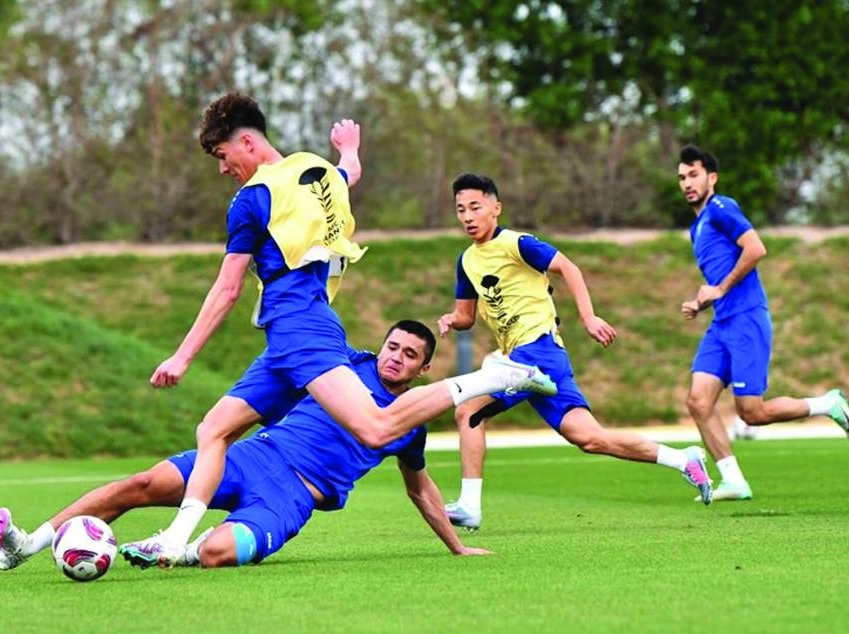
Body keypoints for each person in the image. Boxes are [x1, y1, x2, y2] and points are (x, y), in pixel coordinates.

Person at [121, 96, 552, 568]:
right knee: (213, 429)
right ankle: (176, 540)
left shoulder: (255, 197)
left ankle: (496, 377)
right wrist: (349, 148)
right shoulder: (318, 172)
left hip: (300, 323)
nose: (223, 168)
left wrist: (182, 357)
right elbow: (349, 174)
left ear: (245, 142)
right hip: (306, 322)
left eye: (223, 156)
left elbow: (227, 290)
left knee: (375, 427)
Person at [0, 321, 490, 571]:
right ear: (380, 346)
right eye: (393, 347)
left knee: (215, 554)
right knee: (140, 483)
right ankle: (27, 545)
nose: (396, 359)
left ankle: (176, 550)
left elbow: (421, 489)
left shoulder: (409, 424)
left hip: (293, 497)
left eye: (410, 356)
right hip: (252, 458)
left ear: (424, 369)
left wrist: (457, 545)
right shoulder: (340, 366)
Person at [437, 173, 714, 530]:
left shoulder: (516, 243)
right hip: (537, 361)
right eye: (461, 210)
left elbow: (568, 267)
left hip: (536, 350)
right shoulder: (467, 262)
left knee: (469, 412)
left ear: (496, 207)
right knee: (590, 439)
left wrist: (588, 316)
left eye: (475, 207)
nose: (468, 216)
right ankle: (683, 459)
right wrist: (450, 319)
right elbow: (466, 316)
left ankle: (470, 506)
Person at [676, 145, 849, 501]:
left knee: (752, 413)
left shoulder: (721, 207)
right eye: (682, 177)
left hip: (745, 318)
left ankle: (828, 404)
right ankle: (733, 481)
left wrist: (720, 289)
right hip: (721, 323)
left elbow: (756, 249)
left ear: (711, 177)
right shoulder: (697, 226)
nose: (687, 182)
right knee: (698, 402)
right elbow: (718, 275)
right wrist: (701, 301)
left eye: (693, 174)